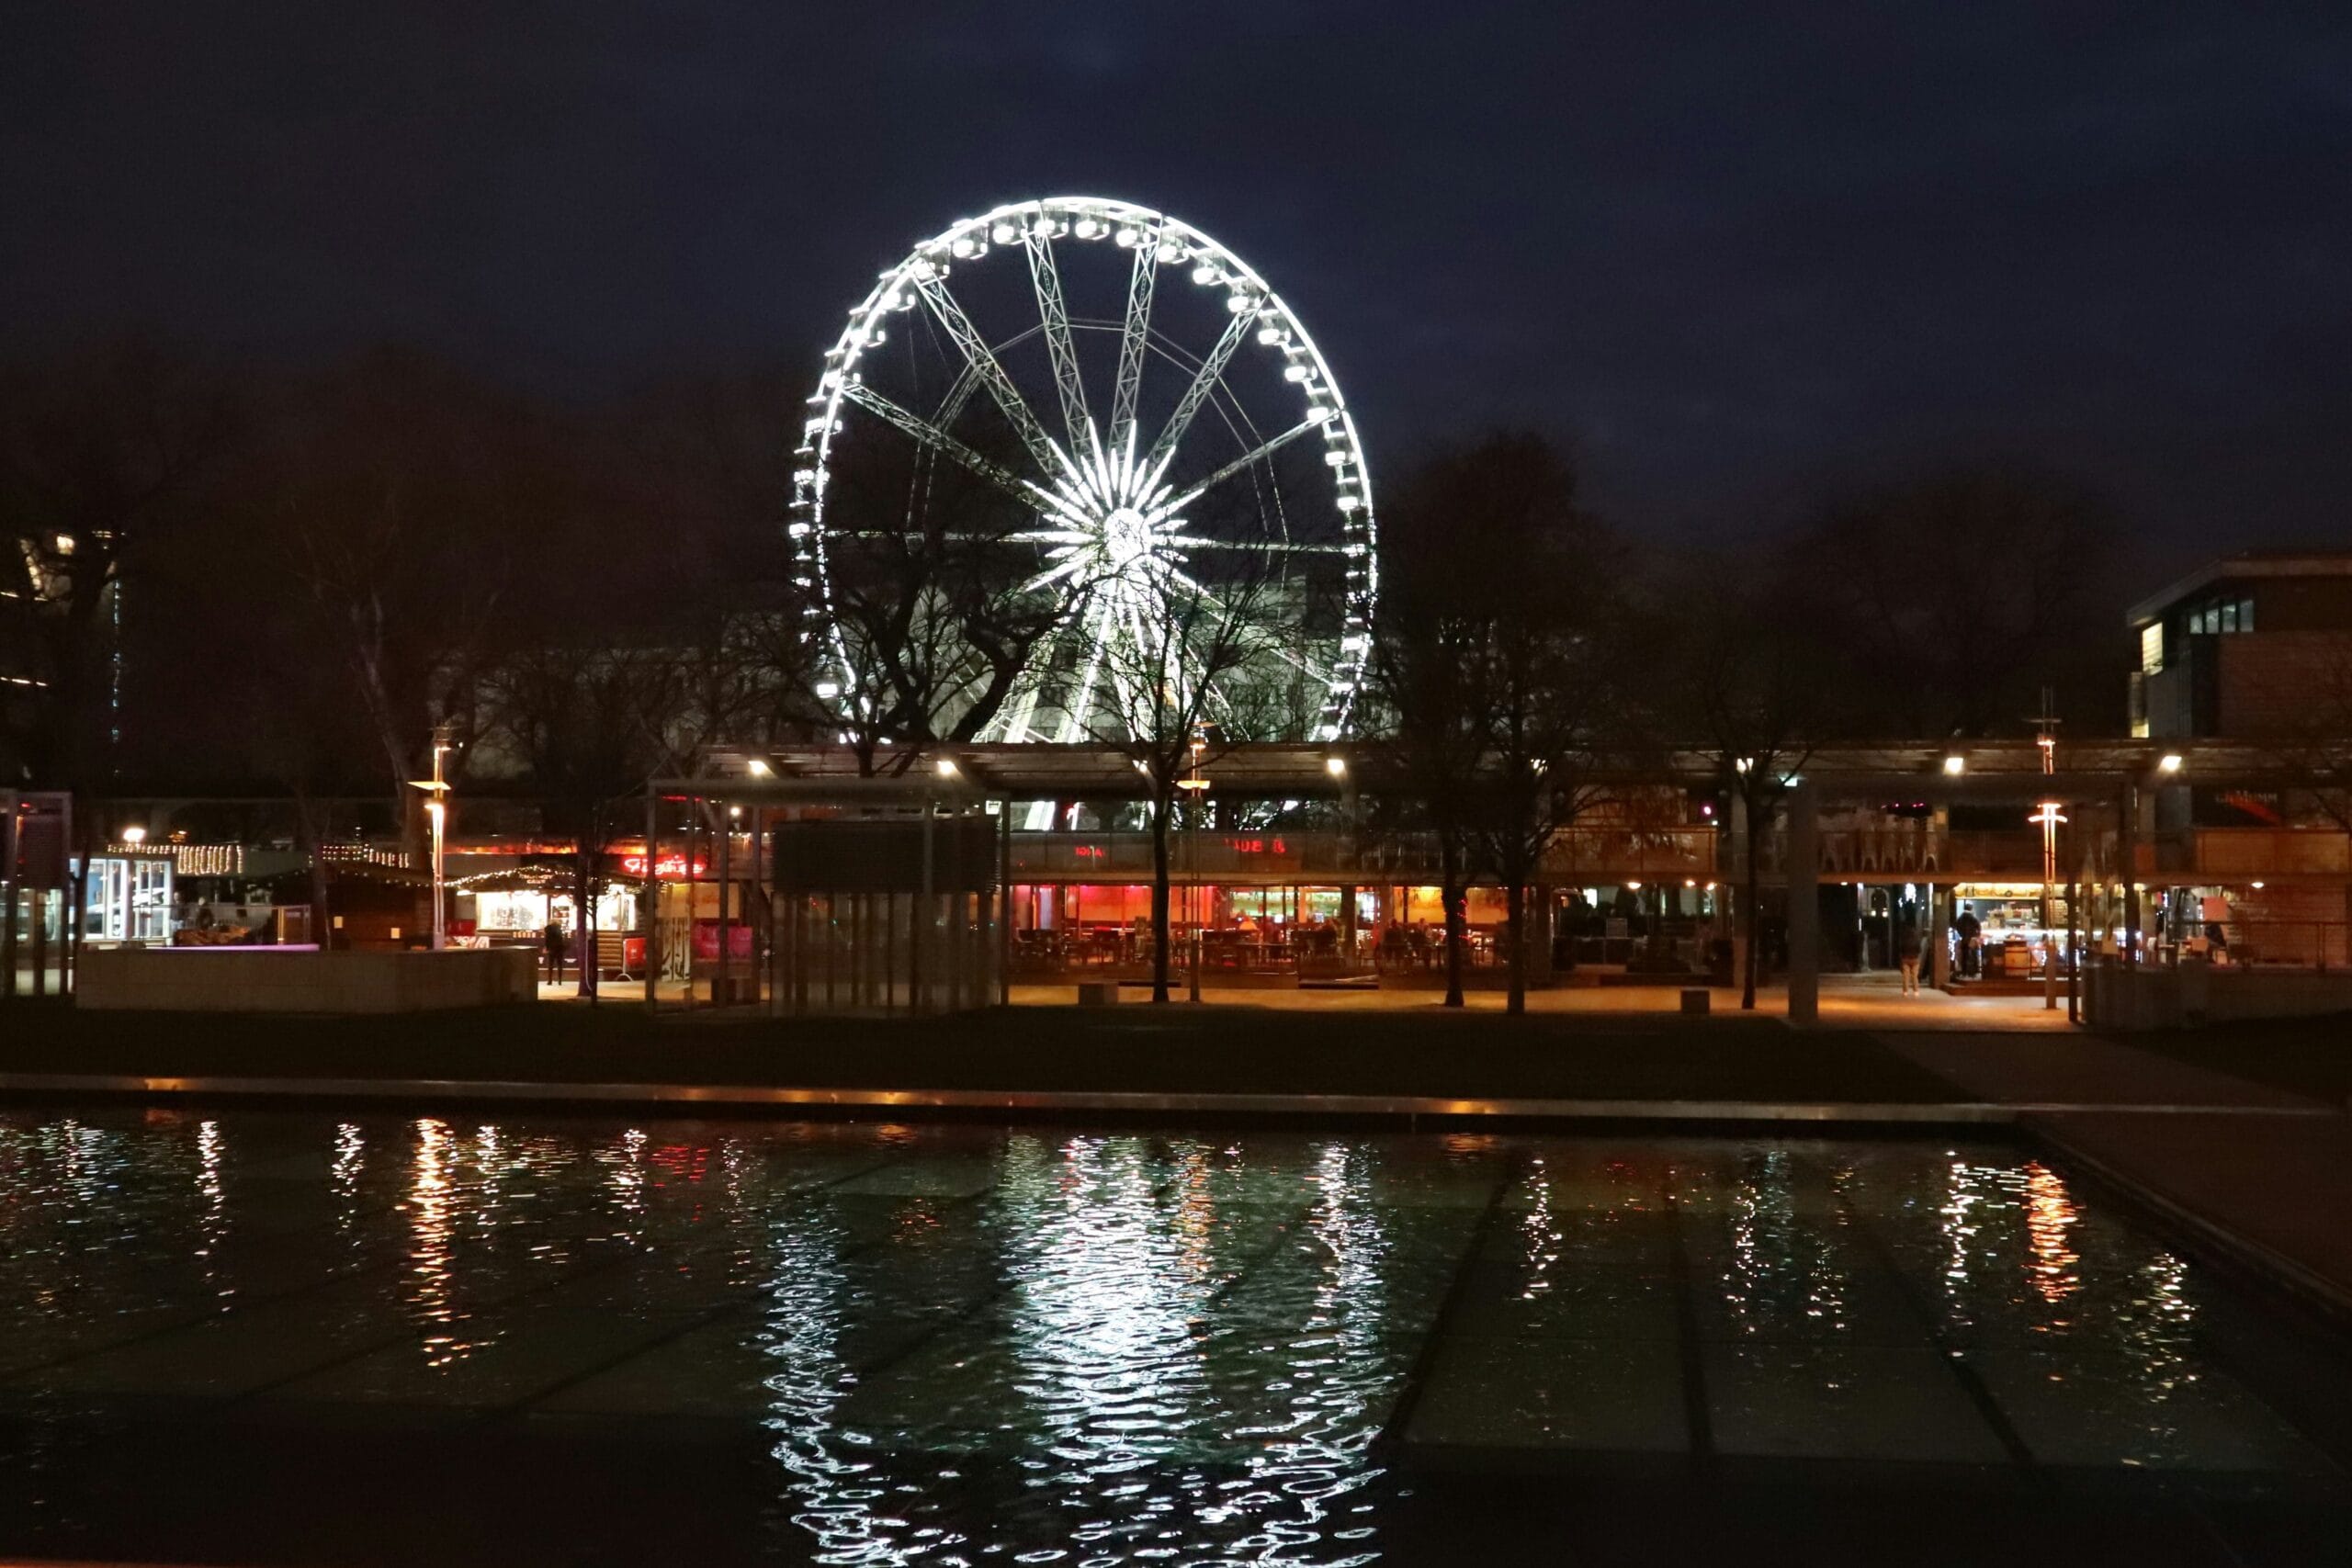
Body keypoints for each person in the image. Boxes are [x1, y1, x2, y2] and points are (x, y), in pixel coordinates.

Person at [1895, 903, 1922, 995]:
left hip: (1906, 958)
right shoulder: (1916, 939)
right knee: (1915, 976)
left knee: (1906, 976)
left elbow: (1901, 948)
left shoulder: (1904, 938)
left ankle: (1905, 991)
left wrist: (1902, 956)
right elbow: (1919, 949)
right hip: (1915, 958)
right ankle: (1916, 991)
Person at [1954, 902, 1982, 978]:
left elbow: (1957, 926)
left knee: (1964, 956)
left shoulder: (1961, 918)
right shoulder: (1972, 917)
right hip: (1972, 939)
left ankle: (1964, 972)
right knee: (1973, 955)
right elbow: (1978, 926)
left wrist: (1962, 934)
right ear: (1971, 908)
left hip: (1964, 939)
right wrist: (1977, 935)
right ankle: (1973, 972)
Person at [542, 918, 566, 984]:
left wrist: (546, 948)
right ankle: (560, 981)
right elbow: (561, 939)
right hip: (559, 949)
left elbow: (547, 940)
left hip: (552, 949)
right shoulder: (559, 929)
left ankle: (550, 981)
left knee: (550, 965)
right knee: (560, 965)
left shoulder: (548, 930)